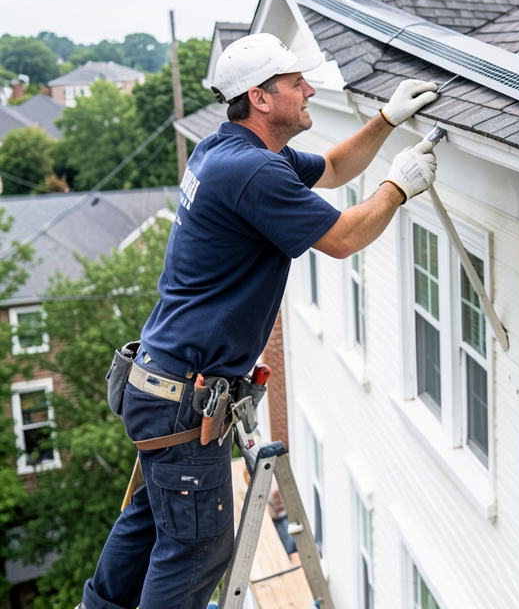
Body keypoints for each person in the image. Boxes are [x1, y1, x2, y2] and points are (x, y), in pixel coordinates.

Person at [80, 33, 438, 609]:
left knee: (154, 521)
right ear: (261, 97)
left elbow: (333, 169)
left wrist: (386, 120)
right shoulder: (252, 173)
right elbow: (344, 238)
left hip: (159, 382)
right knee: (199, 545)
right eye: (297, 83)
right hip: (183, 397)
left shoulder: (230, 153)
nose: (309, 90)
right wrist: (398, 188)